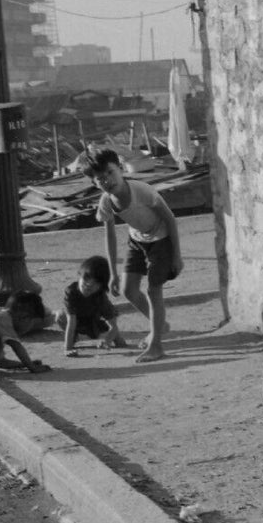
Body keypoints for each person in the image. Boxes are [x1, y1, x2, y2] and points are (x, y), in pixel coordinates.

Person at [87, 148, 182, 364]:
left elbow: (170, 219)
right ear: (95, 183)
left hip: (161, 238)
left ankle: (156, 344)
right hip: (138, 240)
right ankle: (159, 326)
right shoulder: (106, 201)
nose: (107, 180)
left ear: (120, 169)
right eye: (100, 178)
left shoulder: (142, 190)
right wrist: (113, 273)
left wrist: (177, 256)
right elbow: (110, 237)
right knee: (127, 290)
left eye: (110, 173)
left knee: (153, 289)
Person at [59, 254, 128, 357]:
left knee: (119, 341)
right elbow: (71, 322)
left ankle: (114, 341)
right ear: (79, 275)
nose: (88, 285)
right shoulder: (71, 292)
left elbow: (113, 325)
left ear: (102, 287)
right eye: (85, 281)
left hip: (95, 321)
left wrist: (107, 340)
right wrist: (67, 348)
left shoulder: (101, 297)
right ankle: (73, 339)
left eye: (94, 284)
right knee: (60, 316)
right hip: (76, 321)